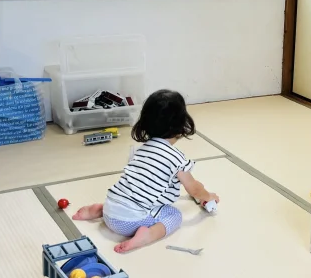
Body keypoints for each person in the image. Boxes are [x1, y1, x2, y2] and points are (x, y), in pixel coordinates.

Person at [73, 90, 218, 253]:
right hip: (129, 224)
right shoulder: (176, 158)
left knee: (127, 197)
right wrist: (208, 196)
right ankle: (147, 236)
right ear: (181, 124)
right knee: (174, 215)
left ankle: (99, 209)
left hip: (109, 211)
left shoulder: (140, 150)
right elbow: (194, 189)